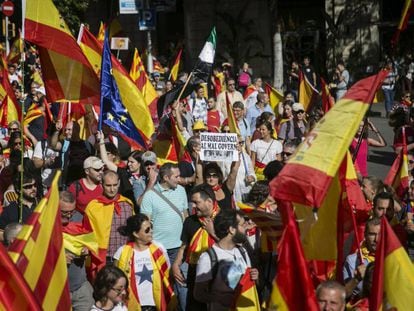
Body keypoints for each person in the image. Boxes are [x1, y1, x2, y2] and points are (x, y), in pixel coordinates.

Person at [194, 209, 259, 311]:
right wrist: (219, 298)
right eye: (242, 225)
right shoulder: (208, 258)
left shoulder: (242, 251)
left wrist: (255, 276)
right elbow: (198, 294)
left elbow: (250, 282)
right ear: (232, 230)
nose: (247, 227)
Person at [172, 184, 219, 310]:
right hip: (195, 274)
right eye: (192, 202)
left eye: (196, 202)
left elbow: (232, 247)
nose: (193, 206)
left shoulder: (224, 220)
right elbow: (184, 247)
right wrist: (176, 264)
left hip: (218, 275)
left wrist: (212, 233)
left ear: (209, 201)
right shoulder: (190, 221)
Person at [114, 214, 175, 311]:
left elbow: (168, 275)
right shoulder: (121, 252)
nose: (151, 231)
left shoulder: (159, 249)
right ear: (136, 233)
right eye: (147, 230)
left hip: (156, 303)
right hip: (131, 304)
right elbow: (116, 281)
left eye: (151, 227)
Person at [84, 171, 134, 275]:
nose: (112, 189)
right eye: (108, 185)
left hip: (124, 257)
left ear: (119, 183)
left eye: (115, 185)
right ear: (102, 185)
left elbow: (134, 231)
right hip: (104, 258)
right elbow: (86, 233)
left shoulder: (127, 204)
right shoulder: (93, 206)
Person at [141, 163, 188, 264]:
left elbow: (185, 216)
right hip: (158, 248)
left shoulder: (181, 190)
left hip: (179, 248)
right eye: (176, 176)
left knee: (179, 278)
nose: (179, 179)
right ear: (166, 177)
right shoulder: (149, 195)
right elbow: (145, 224)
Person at [60, 191, 95, 311]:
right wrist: (59, 258)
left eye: (72, 211)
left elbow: (90, 245)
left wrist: (87, 251)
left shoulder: (80, 218)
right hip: (56, 289)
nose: (69, 216)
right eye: (64, 212)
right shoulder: (44, 224)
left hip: (80, 287)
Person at [343, 217, 381, 299]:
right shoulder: (353, 260)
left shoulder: (392, 257)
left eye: (380, 234)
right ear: (365, 235)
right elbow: (344, 295)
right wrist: (356, 279)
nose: (376, 239)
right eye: (372, 234)